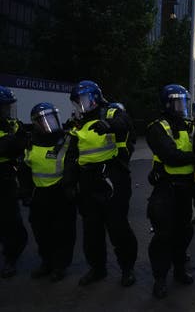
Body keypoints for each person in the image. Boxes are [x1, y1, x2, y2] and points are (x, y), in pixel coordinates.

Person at [63, 80, 138, 287]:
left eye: (83, 101)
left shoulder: (111, 112)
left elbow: (126, 123)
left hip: (112, 178)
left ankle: (127, 269)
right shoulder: (77, 124)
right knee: (91, 230)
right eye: (77, 102)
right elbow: (71, 156)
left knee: (118, 227)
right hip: (87, 181)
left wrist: (109, 125)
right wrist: (69, 183)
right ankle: (97, 269)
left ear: (95, 98)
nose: (80, 106)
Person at [146, 84, 195, 299]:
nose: (182, 107)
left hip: (186, 188)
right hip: (166, 188)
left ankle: (179, 270)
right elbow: (170, 156)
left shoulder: (189, 126)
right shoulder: (156, 127)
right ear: (167, 104)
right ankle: (160, 278)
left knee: (184, 231)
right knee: (163, 235)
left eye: (184, 102)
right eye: (178, 103)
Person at [18, 103, 76, 282]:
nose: (48, 123)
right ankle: (47, 263)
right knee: (41, 232)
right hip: (39, 194)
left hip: (61, 193)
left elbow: (74, 166)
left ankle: (60, 266)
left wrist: (71, 187)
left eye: (51, 119)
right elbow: (25, 169)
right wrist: (26, 192)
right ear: (35, 124)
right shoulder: (30, 143)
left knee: (63, 232)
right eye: (44, 120)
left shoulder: (67, 140)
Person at [0, 85, 27, 277]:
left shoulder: (14, 125)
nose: (7, 111)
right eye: (4, 107)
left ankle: (10, 258)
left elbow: (22, 147)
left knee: (11, 222)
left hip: (8, 178)